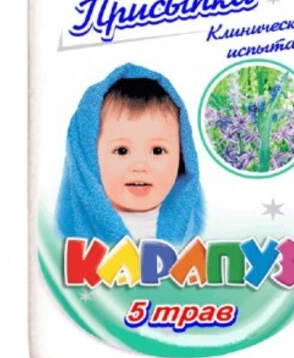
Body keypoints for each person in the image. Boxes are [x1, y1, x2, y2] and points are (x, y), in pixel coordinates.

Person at [55, 63, 205, 245]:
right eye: (122, 151)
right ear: (89, 159)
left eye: (157, 150)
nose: (140, 166)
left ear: (182, 156)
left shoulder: (195, 228)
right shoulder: (65, 234)